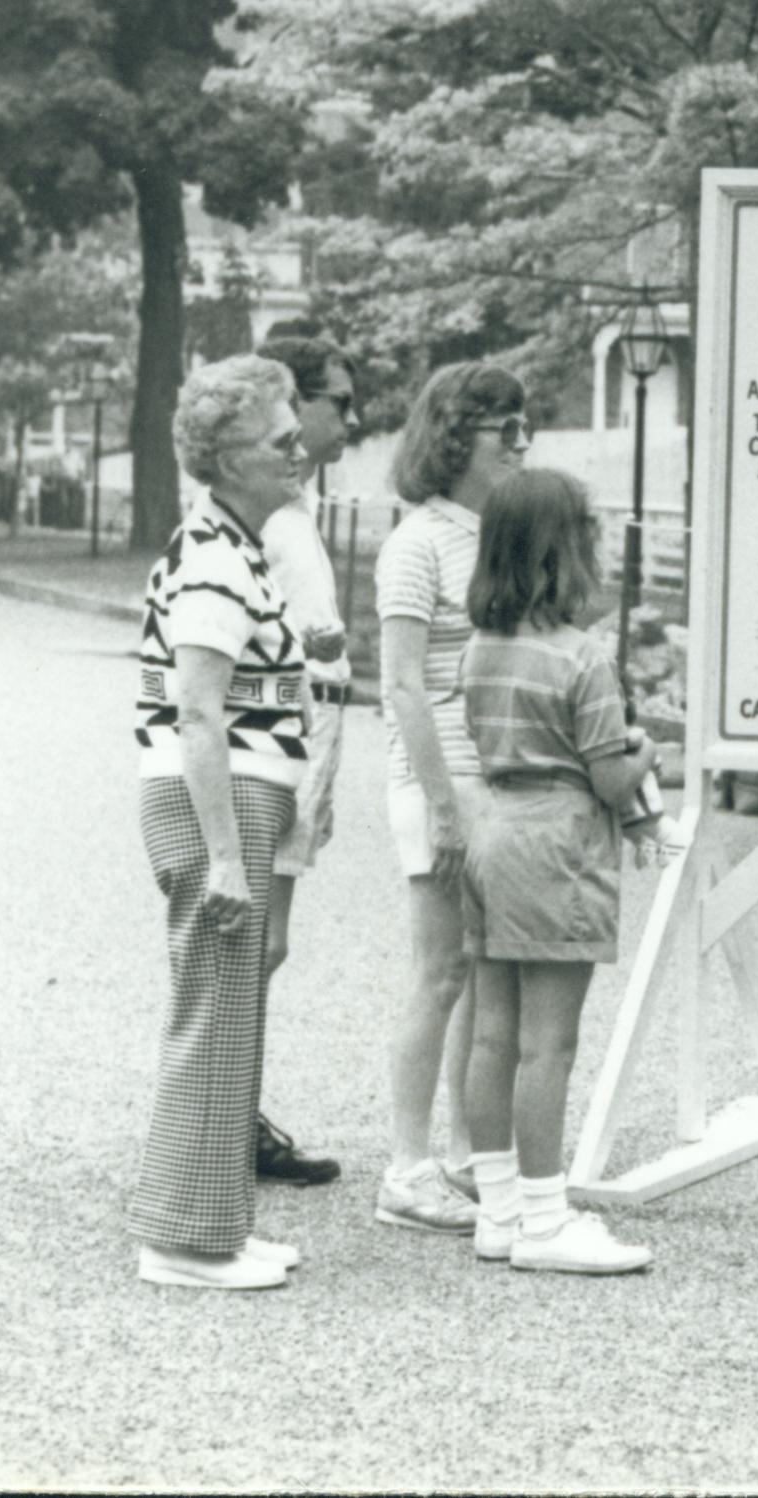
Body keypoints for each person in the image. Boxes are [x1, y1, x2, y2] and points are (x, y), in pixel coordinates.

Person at [126, 355, 317, 1291]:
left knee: (233, 1017)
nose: (301, 451)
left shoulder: (233, 546)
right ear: (229, 456)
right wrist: (228, 858)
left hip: (238, 798)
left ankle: (217, 1222)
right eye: (281, 440)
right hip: (218, 802)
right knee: (214, 1015)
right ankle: (180, 1241)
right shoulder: (212, 559)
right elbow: (197, 713)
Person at [454, 468, 675, 1274]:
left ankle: (501, 1210)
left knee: (491, 1036)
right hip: (558, 846)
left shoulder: (483, 648)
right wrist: (648, 752)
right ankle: (548, 1220)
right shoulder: (583, 660)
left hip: (494, 833)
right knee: (550, 1046)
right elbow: (612, 781)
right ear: (566, 549)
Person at [371, 360, 532, 1234]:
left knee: (482, 971)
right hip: (440, 776)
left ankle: (471, 1152)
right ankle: (405, 1164)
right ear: (451, 436)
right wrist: (440, 801)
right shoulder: (418, 542)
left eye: (521, 423)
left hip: (500, 777)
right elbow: (399, 685)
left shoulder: (494, 531)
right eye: (498, 425)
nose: (518, 440)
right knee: (438, 972)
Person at [243, 326, 365, 1188]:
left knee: (269, 937)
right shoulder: (265, 509)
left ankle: (230, 1113)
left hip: (311, 720)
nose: (351, 423)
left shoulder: (297, 507)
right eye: (339, 404)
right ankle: (222, 1119)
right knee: (255, 936)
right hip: (282, 726)